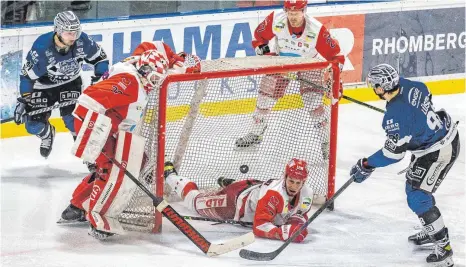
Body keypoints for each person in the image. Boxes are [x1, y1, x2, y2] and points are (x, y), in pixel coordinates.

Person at [57, 44, 201, 240]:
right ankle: (99, 219)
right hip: (98, 127)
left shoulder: (144, 65)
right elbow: (87, 100)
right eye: (154, 79)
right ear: (145, 70)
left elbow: (154, 46)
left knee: (137, 161)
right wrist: (92, 138)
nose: (156, 83)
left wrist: (177, 61)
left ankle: (77, 206)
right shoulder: (129, 81)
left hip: (112, 127)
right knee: (111, 168)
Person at [350, 64, 459, 267]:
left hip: (439, 150)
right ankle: (432, 231)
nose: (373, 88)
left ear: (382, 88)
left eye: (375, 85)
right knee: (414, 189)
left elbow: (393, 155)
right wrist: (412, 124)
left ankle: (444, 249)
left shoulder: (394, 117)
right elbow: (427, 97)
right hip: (438, 137)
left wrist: (367, 164)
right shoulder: (411, 85)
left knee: (418, 196)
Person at [235, 0, 345, 161]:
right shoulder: (275, 19)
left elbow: (337, 57)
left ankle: (326, 143)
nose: (293, 17)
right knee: (264, 98)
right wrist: (261, 47)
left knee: (313, 103)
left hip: (309, 64)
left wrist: (336, 80)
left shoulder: (316, 29)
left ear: (304, 10)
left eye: (297, 13)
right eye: (290, 13)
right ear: (285, 10)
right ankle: (255, 133)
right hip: (281, 62)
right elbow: (259, 37)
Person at [14, 10, 109, 160]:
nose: (73, 37)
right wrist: (25, 99)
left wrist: (99, 77)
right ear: (58, 31)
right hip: (43, 86)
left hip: (71, 83)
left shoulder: (82, 41)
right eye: (68, 33)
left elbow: (101, 59)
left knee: (74, 122)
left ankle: (90, 158)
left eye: (76, 32)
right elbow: (27, 77)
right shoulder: (42, 48)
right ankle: (47, 134)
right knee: (33, 125)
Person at [164, 158, 314, 243]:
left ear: (304, 182)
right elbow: (260, 226)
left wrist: (297, 223)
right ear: (285, 177)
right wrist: (280, 233)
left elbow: (300, 213)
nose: (294, 186)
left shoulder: (307, 194)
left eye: (298, 183)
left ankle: (229, 183)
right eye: (291, 181)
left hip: (253, 187)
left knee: (251, 192)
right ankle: (170, 175)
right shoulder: (273, 196)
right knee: (194, 202)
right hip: (233, 203)